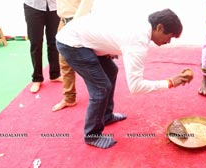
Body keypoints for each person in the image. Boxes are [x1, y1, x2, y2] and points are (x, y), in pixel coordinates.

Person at [56, 8, 192, 149]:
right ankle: (92, 135)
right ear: (159, 27)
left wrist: (107, 48)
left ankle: (106, 116)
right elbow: (136, 87)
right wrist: (170, 82)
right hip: (72, 43)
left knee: (111, 70)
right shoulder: (138, 41)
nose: (169, 42)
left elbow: (112, 33)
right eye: (169, 36)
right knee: (101, 88)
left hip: (81, 36)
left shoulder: (142, 23)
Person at [9, 0, 62, 93]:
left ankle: (55, 74)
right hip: (33, 4)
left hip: (54, 4)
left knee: (54, 42)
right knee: (36, 42)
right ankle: (37, 78)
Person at [51, 0, 96, 111]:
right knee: (64, 62)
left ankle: (99, 95)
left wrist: (75, 24)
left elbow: (87, 0)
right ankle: (69, 98)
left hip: (78, 23)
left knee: (92, 60)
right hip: (63, 21)